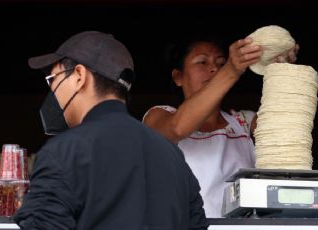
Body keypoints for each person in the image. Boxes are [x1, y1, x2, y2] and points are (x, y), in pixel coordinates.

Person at [14, 31, 208, 230]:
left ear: (79, 76)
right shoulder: (173, 157)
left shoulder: (64, 152)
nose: (52, 89)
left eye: (52, 78)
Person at [142, 34, 298, 217]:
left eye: (221, 63)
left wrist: (282, 72)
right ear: (178, 77)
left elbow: (287, 135)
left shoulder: (244, 123)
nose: (214, 68)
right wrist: (230, 70)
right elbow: (177, 128)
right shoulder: (159, 115)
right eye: (202, 62)